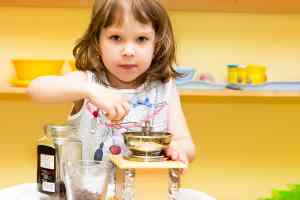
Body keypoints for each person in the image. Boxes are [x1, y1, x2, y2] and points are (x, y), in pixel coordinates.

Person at [27, 0, 215, 199]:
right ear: (97, 42)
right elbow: (36, 89)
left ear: (157, 44)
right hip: (90, 194)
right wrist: (89, 90)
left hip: (146, 193)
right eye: (116, 37)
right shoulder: (88, 82)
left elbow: (186, 144)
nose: (128, 51)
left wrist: (178, 150)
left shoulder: (164, 88)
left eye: (141, 39)